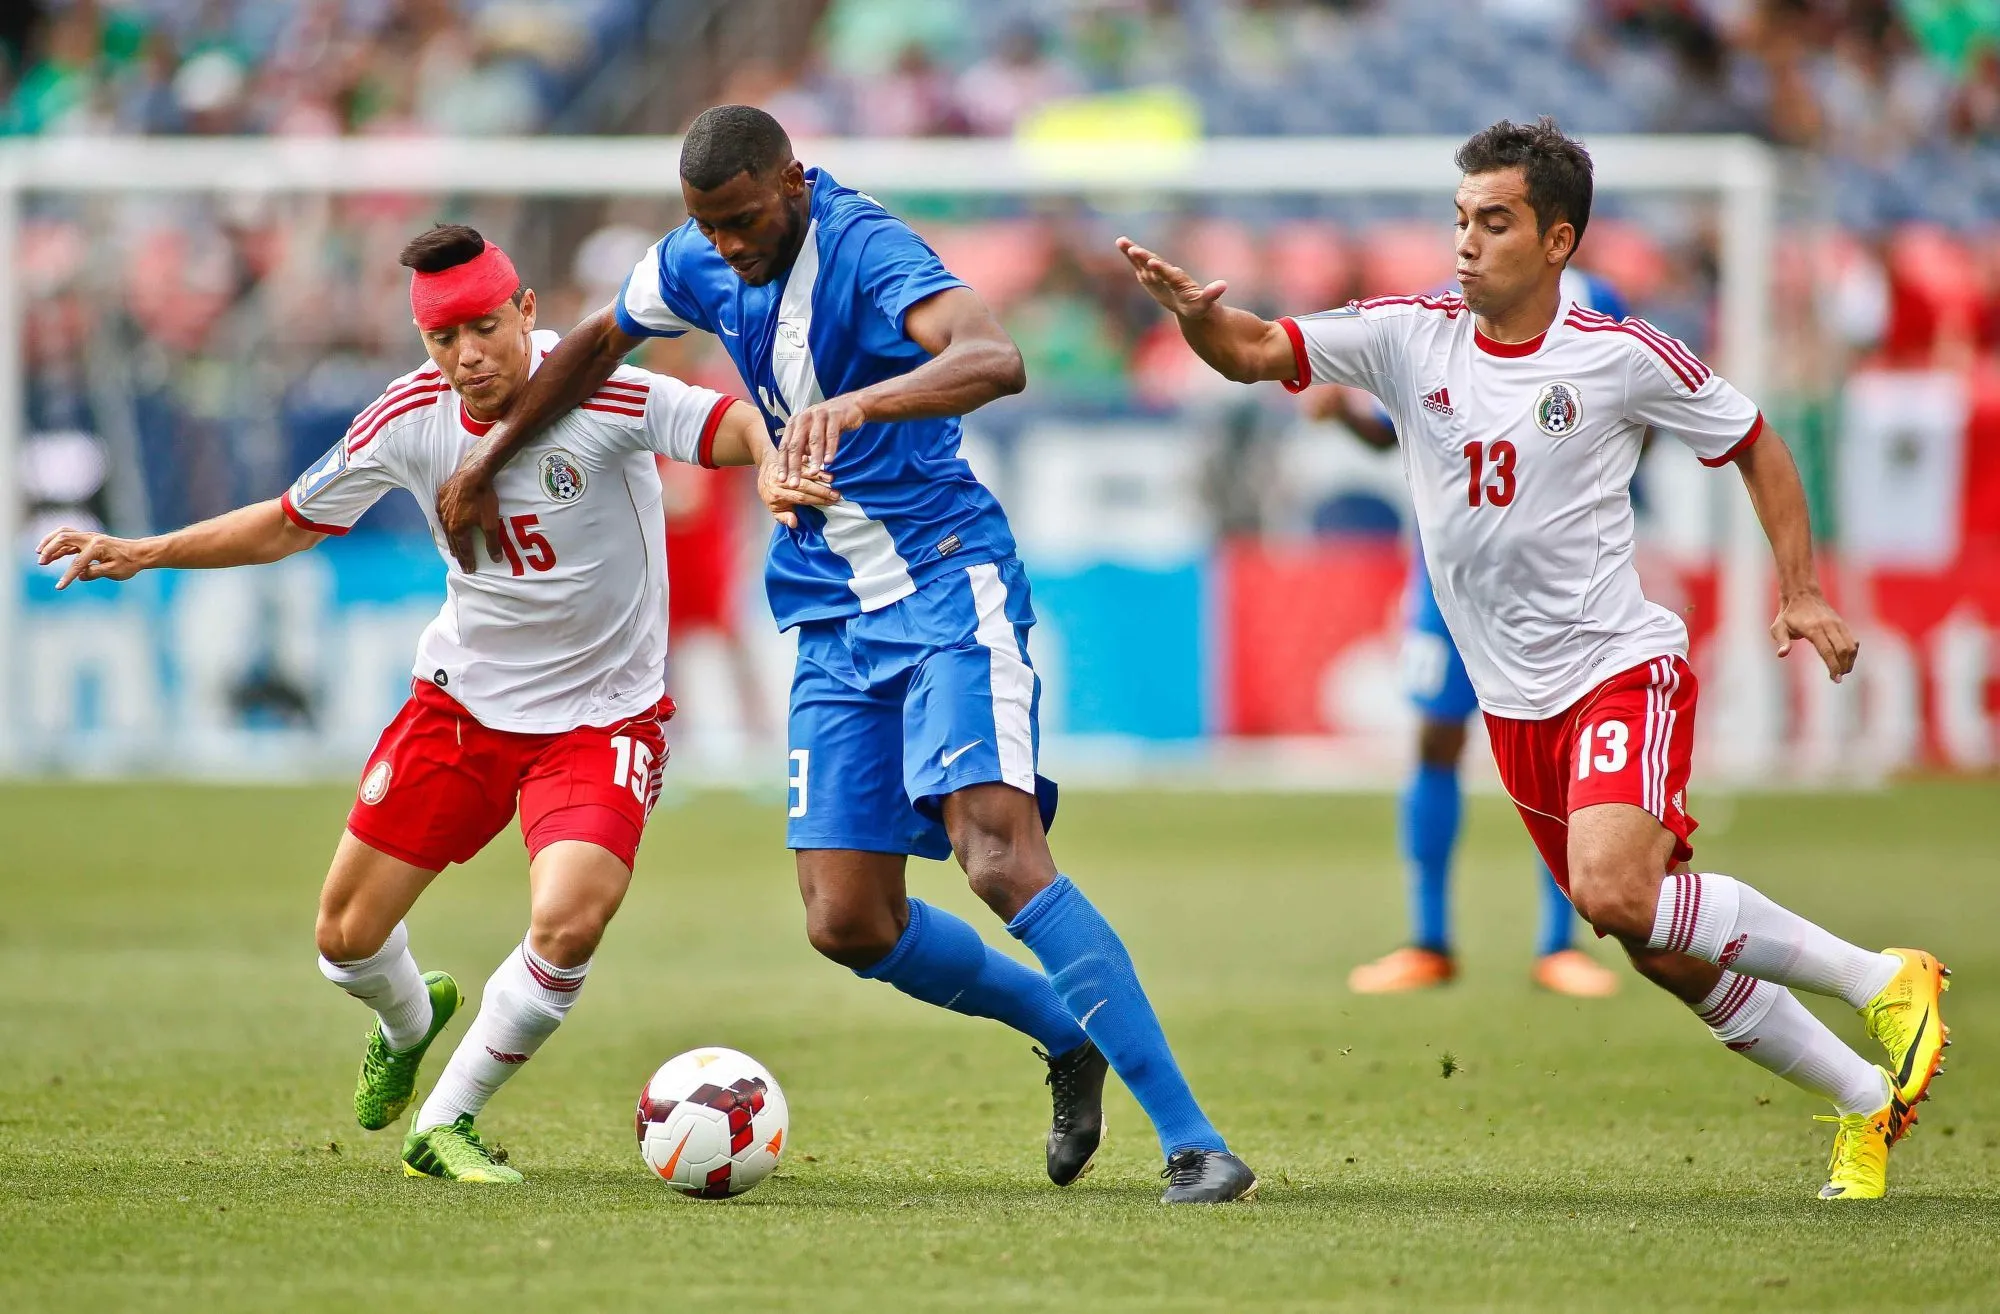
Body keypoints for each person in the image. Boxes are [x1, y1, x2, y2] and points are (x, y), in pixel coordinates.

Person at [431, 105, 1256, 1203]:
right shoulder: (698, 254)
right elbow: (593, 343)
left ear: (794, 182)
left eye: (739, 220)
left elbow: (992, 356)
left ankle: (1193, 1143)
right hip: (828, 610)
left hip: (943, 580)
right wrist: (492, 456)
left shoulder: (868, 252)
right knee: (845, 920)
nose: (724, 245)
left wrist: (861, 405)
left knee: (998, 854)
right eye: (705, 226)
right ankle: (1069, 1031)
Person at [1120, 117, 1950, 1201]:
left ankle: (1883, 977)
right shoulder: (1404, 335)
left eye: (1494, 222)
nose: (1465, 243)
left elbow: (1749, 439)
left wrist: (1797, 590)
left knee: (1613, 895)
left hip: (1614, 666)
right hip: (1513, 706)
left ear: (1557, 240)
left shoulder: (1616, 356)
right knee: (1659, 947)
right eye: (1459, 219)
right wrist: (1197, 317)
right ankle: (1858, 1103)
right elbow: (1249, 351)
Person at [37, 225, 827, 1184]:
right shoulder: (407, 416)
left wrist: (775, 464)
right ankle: (410, 1022)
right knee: (344, 939)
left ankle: (445, 1122)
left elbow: (728, 424)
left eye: (486, 328)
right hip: (460, 711)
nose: (469, 356)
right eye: (444, 339)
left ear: (527, 311)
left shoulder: (602, 385)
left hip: (601, 719)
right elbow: (290, 523)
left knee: (571, 918)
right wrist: (143, 550)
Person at [1315, 266, 1627, 999]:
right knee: (1435, 737)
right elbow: (1398, 434)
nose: (1476, 238)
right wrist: (1342, 416)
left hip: (1553, 577)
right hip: (1450, 576)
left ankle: (1560, 945)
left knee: (1558, 749)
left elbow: (1631, 415)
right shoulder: (1447, 309)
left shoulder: (1597, 303)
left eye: (1495, 217)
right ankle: (1428, 941)